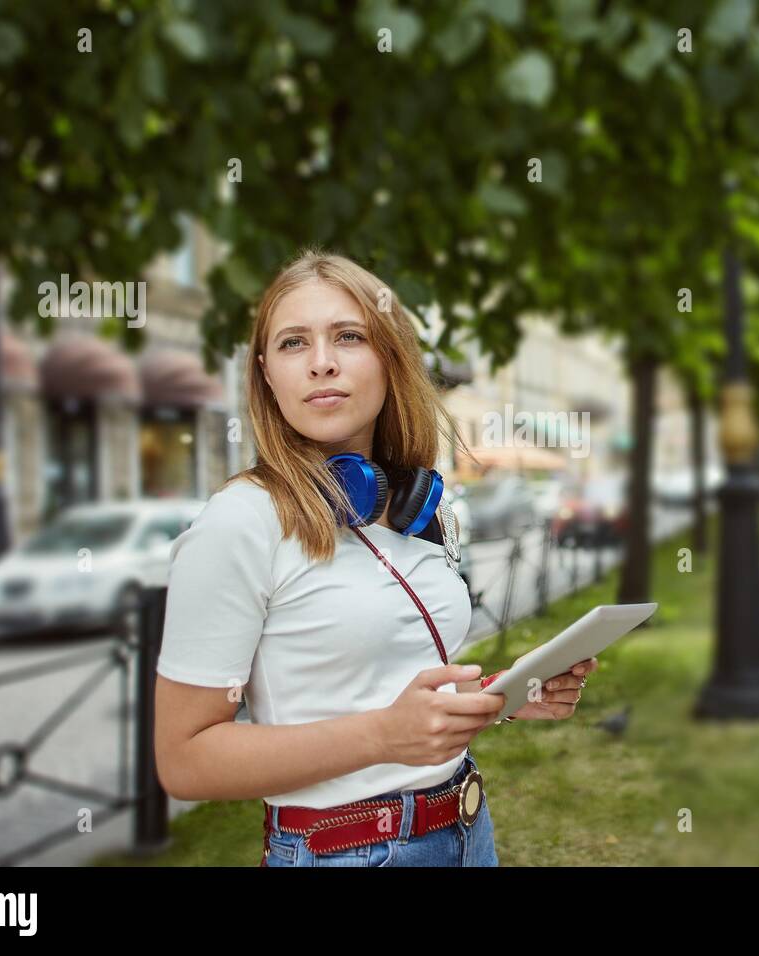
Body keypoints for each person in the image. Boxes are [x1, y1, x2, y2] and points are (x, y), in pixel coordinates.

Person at [153, 248, 597, 867]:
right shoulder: (241, 520)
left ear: (388, 358)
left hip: (467, 830)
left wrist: (506, 694)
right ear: (266, 374)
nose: (321, 363)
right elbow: (185, 761)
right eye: (292, 344)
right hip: (345, 851)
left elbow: (389, 680)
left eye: (348, 336)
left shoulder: (420, 505)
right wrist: (383, 736)